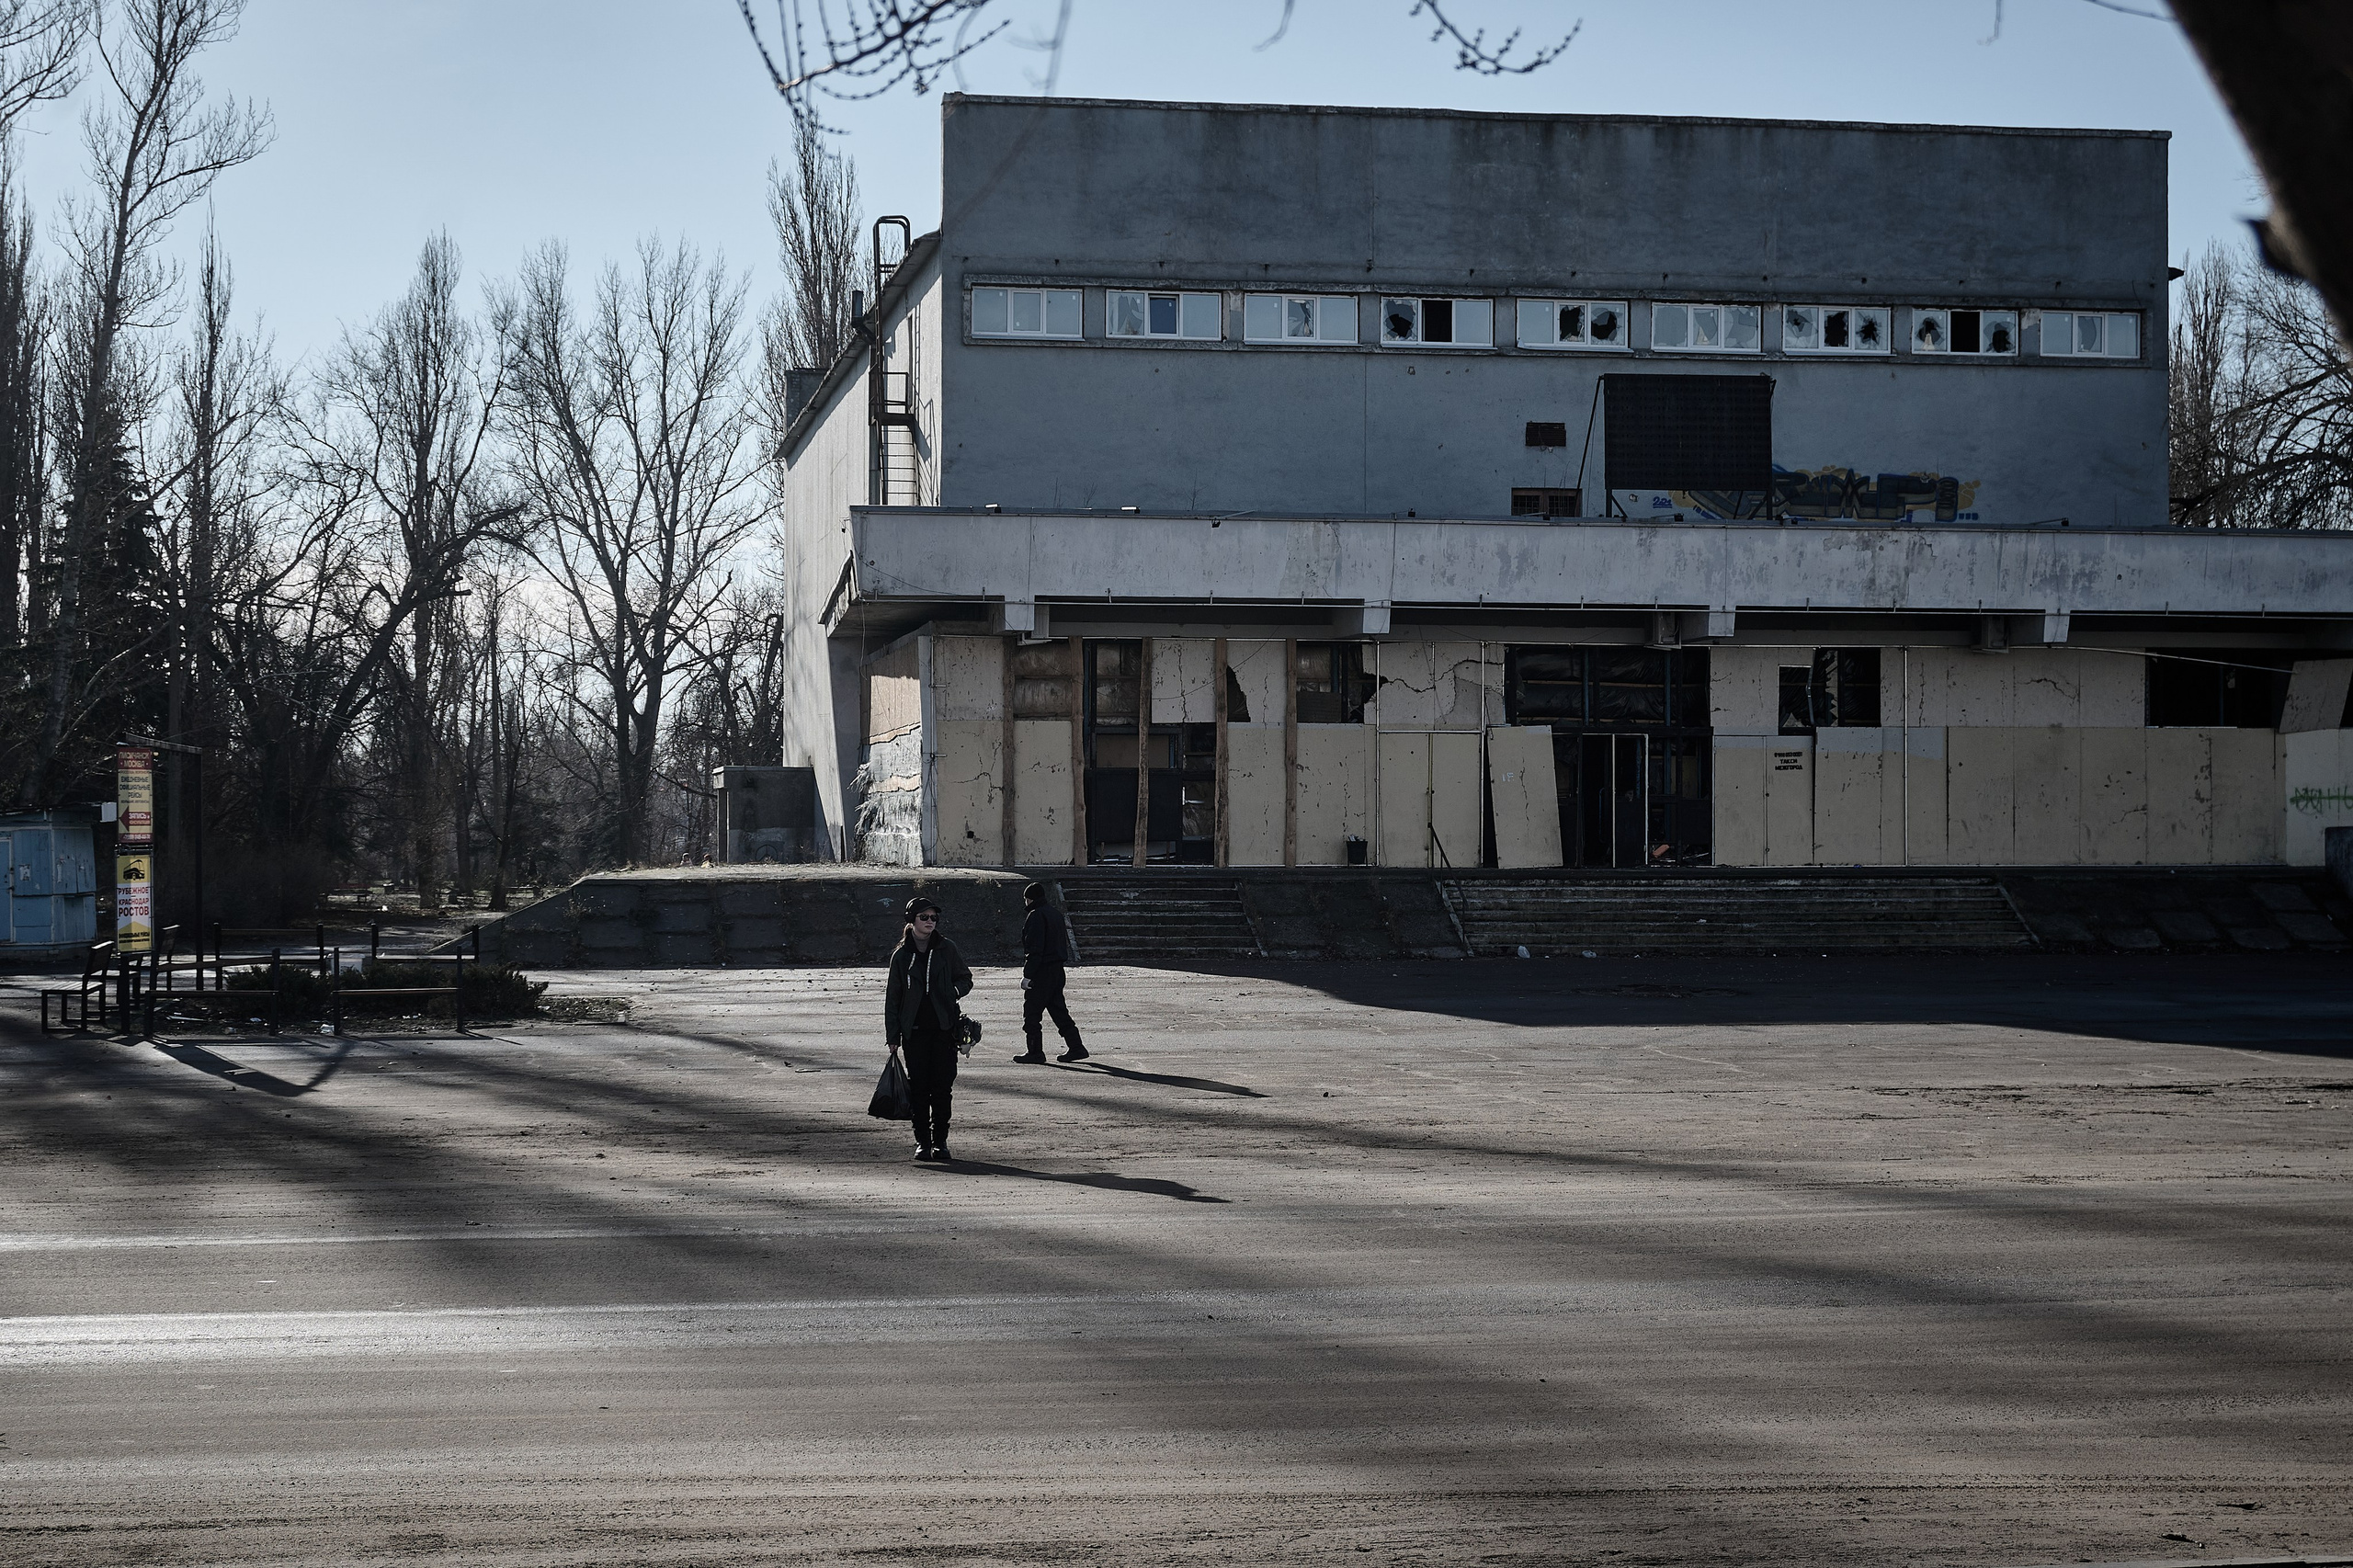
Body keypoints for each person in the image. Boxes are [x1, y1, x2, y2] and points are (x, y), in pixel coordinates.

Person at [883, 895, 972, 1162]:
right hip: (915, 1033)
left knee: (943, 1089)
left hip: (944, 1031)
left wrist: (953, 991)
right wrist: (893, 1036)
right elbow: (893, 998)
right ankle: (922, 1141)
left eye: (934, 918)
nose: (930, 922)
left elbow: (965, 978)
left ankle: (940, 1141)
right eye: (924, 917)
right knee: (919, 1088)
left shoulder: (947, 948)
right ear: (912, 921)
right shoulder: (901, 956)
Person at [1012, 881, 1087, 1064]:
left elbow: (1035, 949)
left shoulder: (1035, 916)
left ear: (1029, 899)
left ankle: (1035, 1052)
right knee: (1059, 1011)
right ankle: (1076, 1047)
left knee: (1031, 1013)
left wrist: (1027, 975)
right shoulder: (1055, 914)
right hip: (1057, 970)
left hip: (1042, 972)